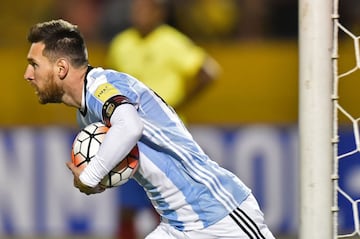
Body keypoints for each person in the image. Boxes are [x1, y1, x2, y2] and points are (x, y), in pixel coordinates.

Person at [24, 19, 275, 239]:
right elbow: (129, 157)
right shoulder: (87, 112)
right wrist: (100, 178)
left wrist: (90, 176)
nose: (27, 74)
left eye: (34, 64)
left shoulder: (100, 87)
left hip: (218, 214)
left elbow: (129, 125)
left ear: (61, 68)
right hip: (177, 225)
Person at [105, 0, 221, 237]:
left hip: (164, 138)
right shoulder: (121, 44)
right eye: (137, 8)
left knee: (168, 205)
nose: (139, 13)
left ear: (159, 12)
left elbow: (209, 72)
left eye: (145, 8)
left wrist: (174, 107)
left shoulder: (171, 41)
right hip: (131, 136)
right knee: (127, 207)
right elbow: (110, 85)